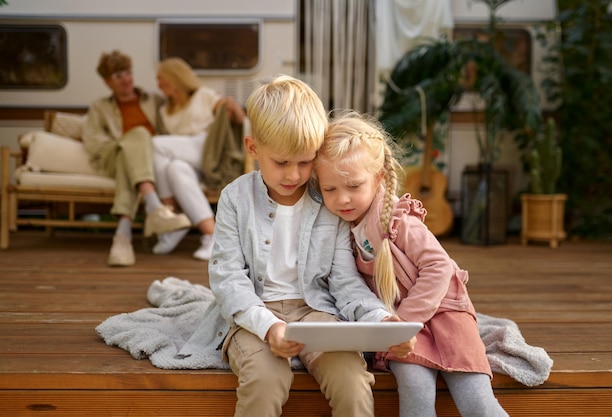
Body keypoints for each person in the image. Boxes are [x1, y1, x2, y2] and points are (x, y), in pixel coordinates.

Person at [208, 75, 412, 417]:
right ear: (253, 148)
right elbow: (228, 278)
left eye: (305, 162)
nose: (294, 175)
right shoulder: (235, 198)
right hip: (254, 315)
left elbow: (344, 282)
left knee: (351, 379)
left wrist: (382, 320)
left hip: (316, 311)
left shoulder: (326, 200)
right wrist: (269, 327)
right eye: (281, 162)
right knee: (264, 378)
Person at [314, 111, 510, 417]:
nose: (342, 199)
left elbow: (439, 267)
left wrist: (405, 322)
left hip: (445, 316)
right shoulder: (344, 229)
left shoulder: (398, 221)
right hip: (401, 332)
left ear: (378, 178)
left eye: (353, 186)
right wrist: (393, 331)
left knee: (476, 401)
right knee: (415, 394)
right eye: (330, 190)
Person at [82, 50, 191, 267]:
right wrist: (124, 146)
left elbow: (178, 117)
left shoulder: (154, 99)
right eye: (117, 76)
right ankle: (153, 207)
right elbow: (93, 141)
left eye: (127, 72)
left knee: (136, 146)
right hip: (114, 155)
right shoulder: (100, 107)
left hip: (151, 157)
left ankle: (122, 237)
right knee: (136, 138)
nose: (125, 79)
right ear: (107, 83)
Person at [150, 57, 246, 260]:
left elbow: (238, 121)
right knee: (175, 168)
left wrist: (233, 107)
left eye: (162, 78)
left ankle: (169, 215)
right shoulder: (164, 111)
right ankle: (212, 235)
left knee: (155, 144)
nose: (158, 84)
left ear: (175, 77)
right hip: (186, 157)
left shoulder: (204, 95)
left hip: (208, 148)